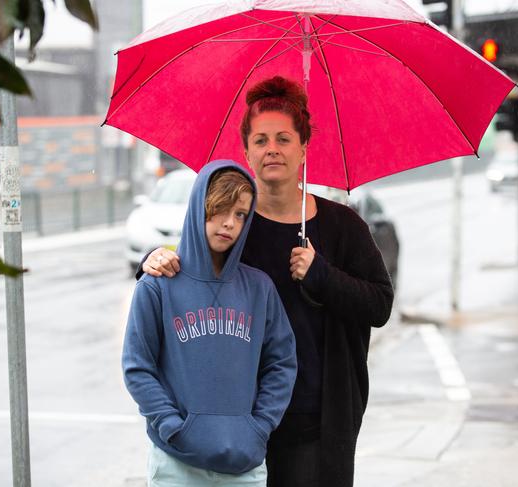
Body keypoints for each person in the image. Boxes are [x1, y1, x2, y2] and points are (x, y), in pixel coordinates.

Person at [138, 76, 394, 487]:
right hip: (239, 422)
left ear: (304, 147)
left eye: (283, 138)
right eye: (260, 140)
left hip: (319, 418)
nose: (272, 149)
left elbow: (380, 305)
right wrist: (153, 260)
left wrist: (322, 275)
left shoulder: (342, 226)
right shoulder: (235, 224)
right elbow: (190, 268)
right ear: (246, 152)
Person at [123, 160, 297, 487]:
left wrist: (259, 425)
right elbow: (137, 366)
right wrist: (172, 426)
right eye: (221, 209)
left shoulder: (259, 288)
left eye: (241, 214)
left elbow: (282, 363)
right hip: (177, 463)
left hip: (244, 465)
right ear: (199, 206)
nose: (229, 223)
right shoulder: (158, 284)